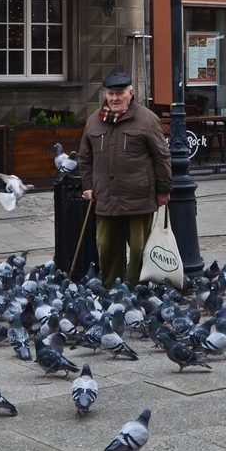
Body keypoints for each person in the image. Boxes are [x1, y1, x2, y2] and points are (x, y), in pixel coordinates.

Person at [78, 71, 172, 288]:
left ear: (131, 93)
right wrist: (88, 186)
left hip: (138, 198)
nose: (115, 98)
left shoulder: (147, 119)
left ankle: (134, 288)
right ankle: (112, 288)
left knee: (139, 249)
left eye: (120, 93)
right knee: (106, 245)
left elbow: (162, 157)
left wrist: (163, 189)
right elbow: (85, 158)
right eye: (111, 94)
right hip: (106, 197)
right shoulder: (94, 121)